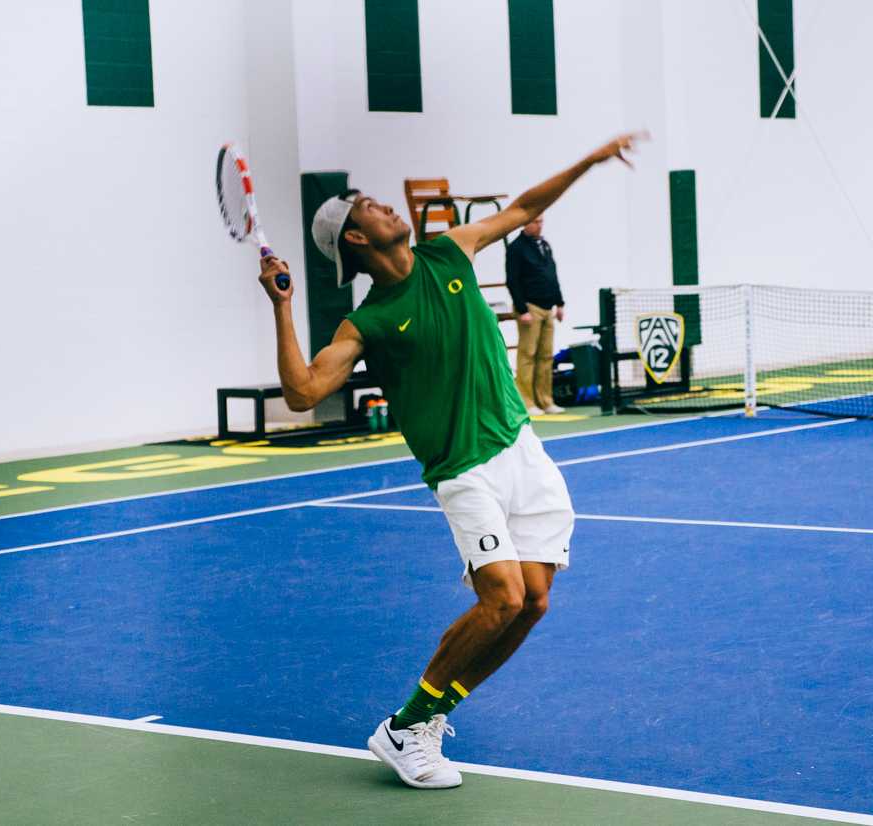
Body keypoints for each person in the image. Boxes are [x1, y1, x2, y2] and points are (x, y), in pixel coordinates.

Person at [256, 133, 646, 790]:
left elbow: (522, 208)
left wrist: (588, 161)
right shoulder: (368, 322)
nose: (383, 206)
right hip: (462, 470)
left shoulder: (450, 249)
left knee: (534, 604)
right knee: (502, 598)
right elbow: (302, 392)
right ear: (356, 239)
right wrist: (284, 307)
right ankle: (408, 725)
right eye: (369, 207)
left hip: (522, 451)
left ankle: (425, 719)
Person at [506, 214, 566, 415]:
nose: (539, 226)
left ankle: (546, 400)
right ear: (525, 223)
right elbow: (512, 280)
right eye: (535, 222)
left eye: (541, 222)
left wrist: (559, 303)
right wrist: (522, 309)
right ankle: (526, 402)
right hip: (530, 308)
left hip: (548, 307)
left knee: (546, 356)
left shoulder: (544, 245)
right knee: (527, 355)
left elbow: (552, 274)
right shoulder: (516, 249)